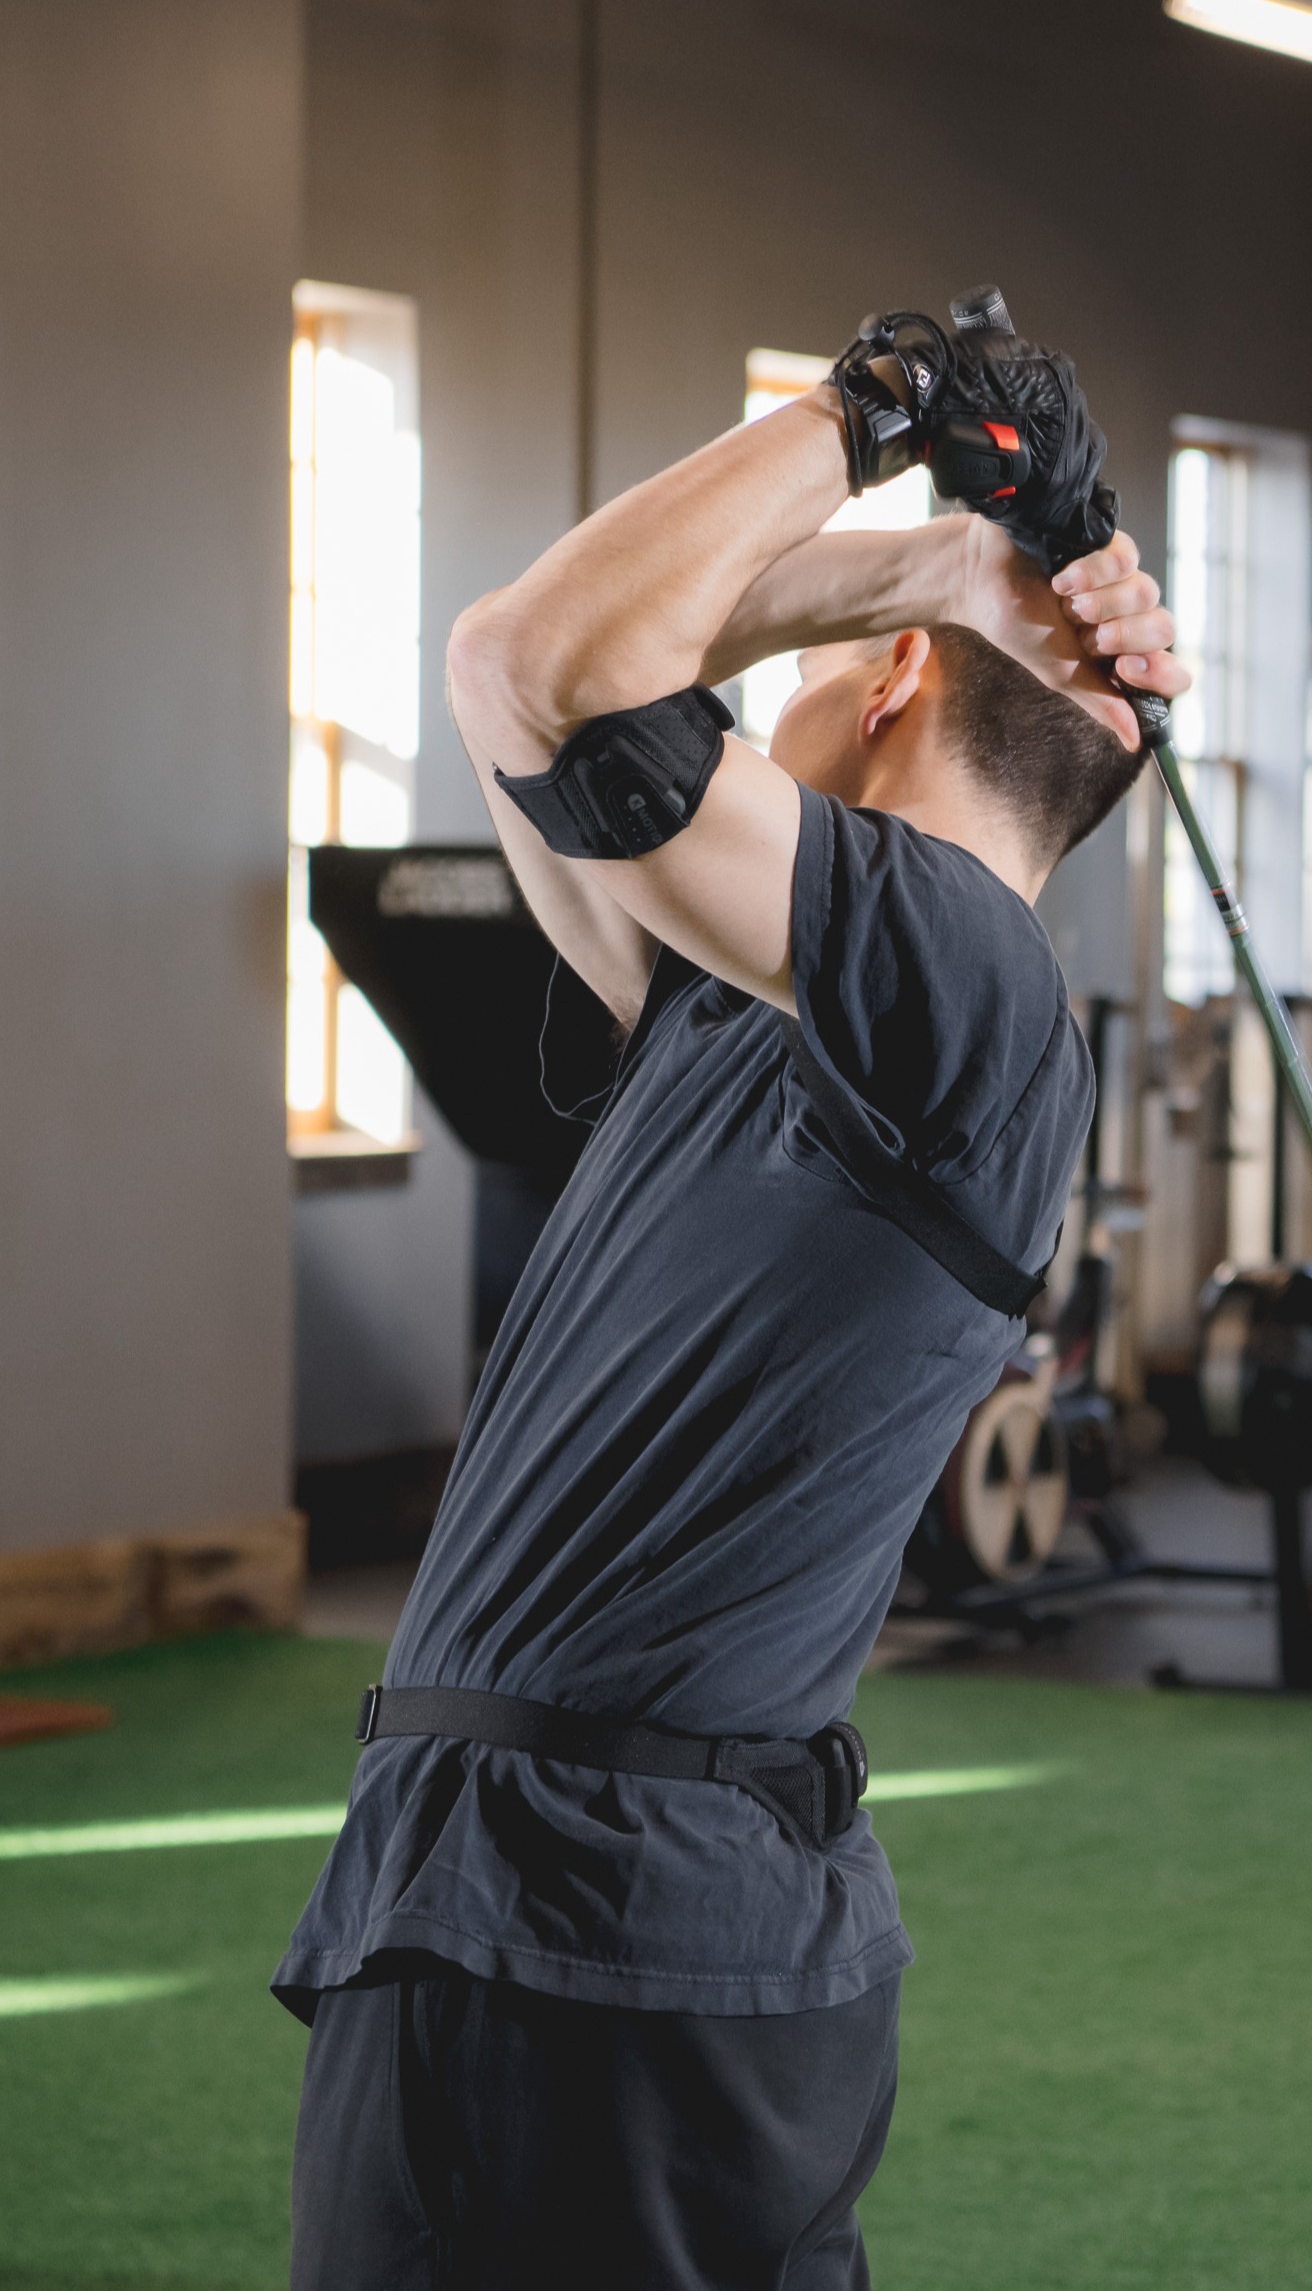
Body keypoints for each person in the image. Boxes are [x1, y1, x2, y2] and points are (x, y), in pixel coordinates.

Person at [275, 310, 1188, 2289]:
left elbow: (558, 660)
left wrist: (881, 409)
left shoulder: (962, 973)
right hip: (566, 1904)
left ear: (888, 693)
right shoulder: (754, 1005)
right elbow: (506, 669)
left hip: (588, 1927)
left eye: (835, 662)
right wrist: (943, 558)